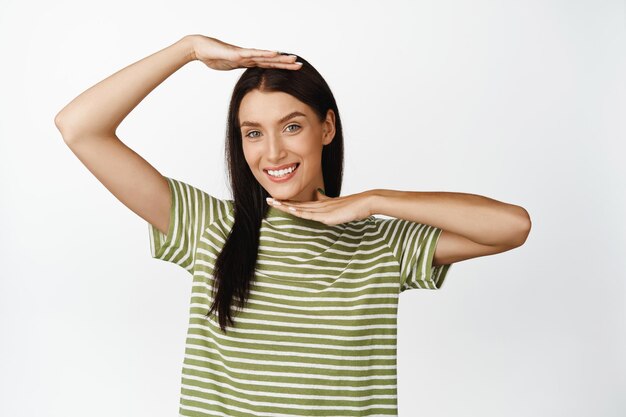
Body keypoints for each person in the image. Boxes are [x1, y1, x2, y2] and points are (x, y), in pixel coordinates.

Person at [55, 34, 531, 416]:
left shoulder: (381, 243)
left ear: (327, 128)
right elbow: (79, 126)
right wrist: (188, 50)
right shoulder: (209, 226)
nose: (273, 153)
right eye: (253, 133)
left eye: (292, 126)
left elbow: (512, 226)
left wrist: (376, 200)